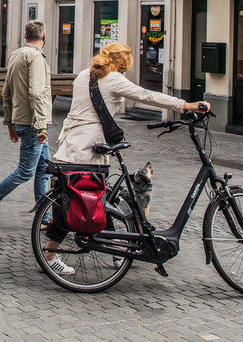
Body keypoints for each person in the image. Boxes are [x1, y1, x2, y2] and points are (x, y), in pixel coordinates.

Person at [41, 42, 210, 269]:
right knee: (86, 204)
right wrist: (186, 105)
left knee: (89, 202)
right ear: (122, 65)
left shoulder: (83, 75)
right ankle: (52, 256)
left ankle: (116, 251)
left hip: (69, 147)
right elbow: (146, 96)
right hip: (88, 152)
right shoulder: (113, 79)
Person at [0, 20, 52, 235]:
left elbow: (6, 92)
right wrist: (42, 126)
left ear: (25, 35)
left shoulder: (16, 55)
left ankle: (45, 217)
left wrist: (10, 123)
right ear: (44, 37)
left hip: (23, 120)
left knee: (44, 168)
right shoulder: (35, 57)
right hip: (33, 123)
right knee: (26, 171)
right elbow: (36, 93)